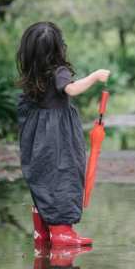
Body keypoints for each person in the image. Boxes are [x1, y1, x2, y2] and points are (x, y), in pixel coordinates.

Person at [16, 21, 110, 247]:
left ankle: (42, 230)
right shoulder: (59, 71)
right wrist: (95, 76)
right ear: (58, 48)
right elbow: (72, 89)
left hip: (36, 133)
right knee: (64, 173)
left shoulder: (32, 74)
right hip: (58, 134)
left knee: (42, 175)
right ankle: (61, 232)